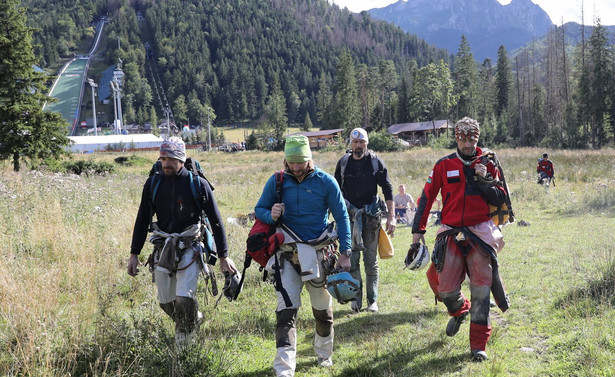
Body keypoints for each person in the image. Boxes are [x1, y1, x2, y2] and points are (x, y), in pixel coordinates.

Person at [411, 117, 509, 362]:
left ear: (477, 137)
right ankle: (458, 310)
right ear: (456, 137)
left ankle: (478, 346)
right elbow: (426, 197)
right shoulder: (443, 165)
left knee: (481, 289)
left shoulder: (488, 162)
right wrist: (417, 232)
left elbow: (500, 199)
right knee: (444, 287)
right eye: (462, 138)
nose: (467, 143)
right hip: (451, 232)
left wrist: (485, 179)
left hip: (480, 232)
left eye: (472, 138)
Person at [255, 135, 352, 376]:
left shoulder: (326, 182)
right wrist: (271, 215)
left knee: (322, 309)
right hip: (286, 255)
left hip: (319, 255)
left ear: (310, 159)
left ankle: (324, 354)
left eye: (301, 162)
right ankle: (285, 368)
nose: (296, 168)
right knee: (285, 310)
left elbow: (342, 217)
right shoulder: (276, 182)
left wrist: (346, 251)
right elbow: (259, 209)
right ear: (285, 160)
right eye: (292, 162)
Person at [127, 137, 237, 346]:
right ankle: (194, 319)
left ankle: (184, 350)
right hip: (163, 247)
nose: (166, 163)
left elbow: (216, 221)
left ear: (181, 159)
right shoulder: (153, 184)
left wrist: (224, 256)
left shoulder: (198, 185)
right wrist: (134, 254)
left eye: (171, 159)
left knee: (185, 297)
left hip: (191, 247)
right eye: (162, 158)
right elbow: (142, 219)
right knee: (166, 301)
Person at [334, 127, 396, 313]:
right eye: (355, 142)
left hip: (371, 218)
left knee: (370, 261)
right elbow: (334, 191)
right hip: (349, 219)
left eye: (362, 142)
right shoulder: (343, 163)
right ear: (350, 144)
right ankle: (355, 300)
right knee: (351, 261)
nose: (358, 146)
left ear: (367, 143)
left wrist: (391, 217)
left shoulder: (376, 163)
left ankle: (372, 301)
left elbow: (388, 189)